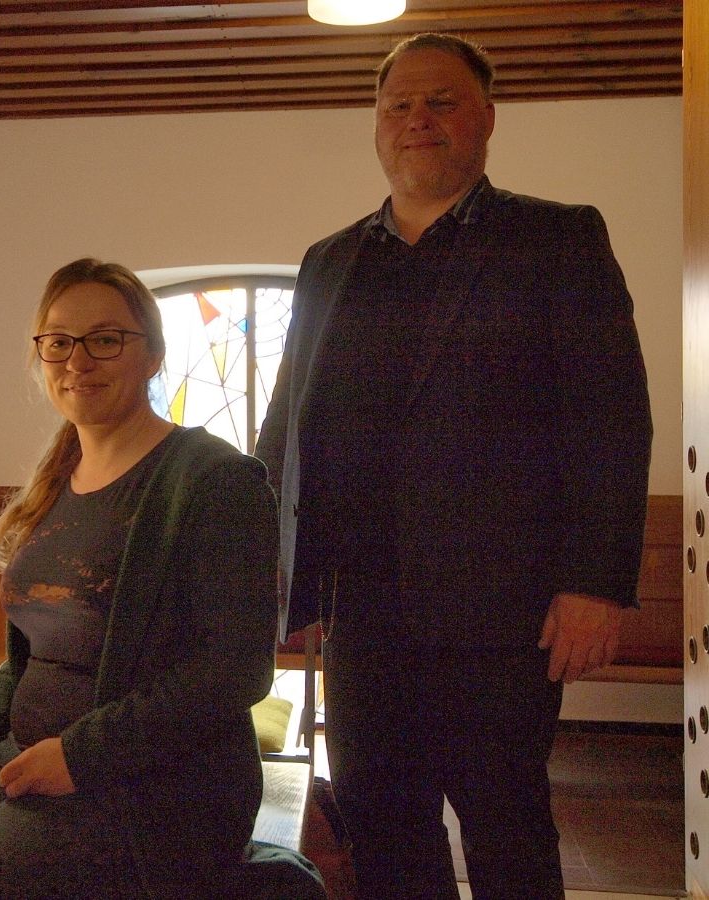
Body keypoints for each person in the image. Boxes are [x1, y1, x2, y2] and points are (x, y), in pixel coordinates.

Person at [254, 33, 652, 900]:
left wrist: (597, 582)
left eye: (442, 101)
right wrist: (282, 580)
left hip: (502, 614)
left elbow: (610, 419)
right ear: (377, 125)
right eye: (399, 105)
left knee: (505, 826)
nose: (418, 119)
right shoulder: (330, 262)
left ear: (487, 119)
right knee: (384, 827)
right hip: (361, 611)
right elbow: (289, 428)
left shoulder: (557, 239)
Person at [0, 258, 323, 899]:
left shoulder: (215, 481)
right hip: (33, 752)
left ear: (153, 356)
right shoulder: (57, 480)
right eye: (58, 342)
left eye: (105, 340)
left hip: (159, 787)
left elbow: (236, 670)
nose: (77, 360)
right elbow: (36, 648)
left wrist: (81, 755)